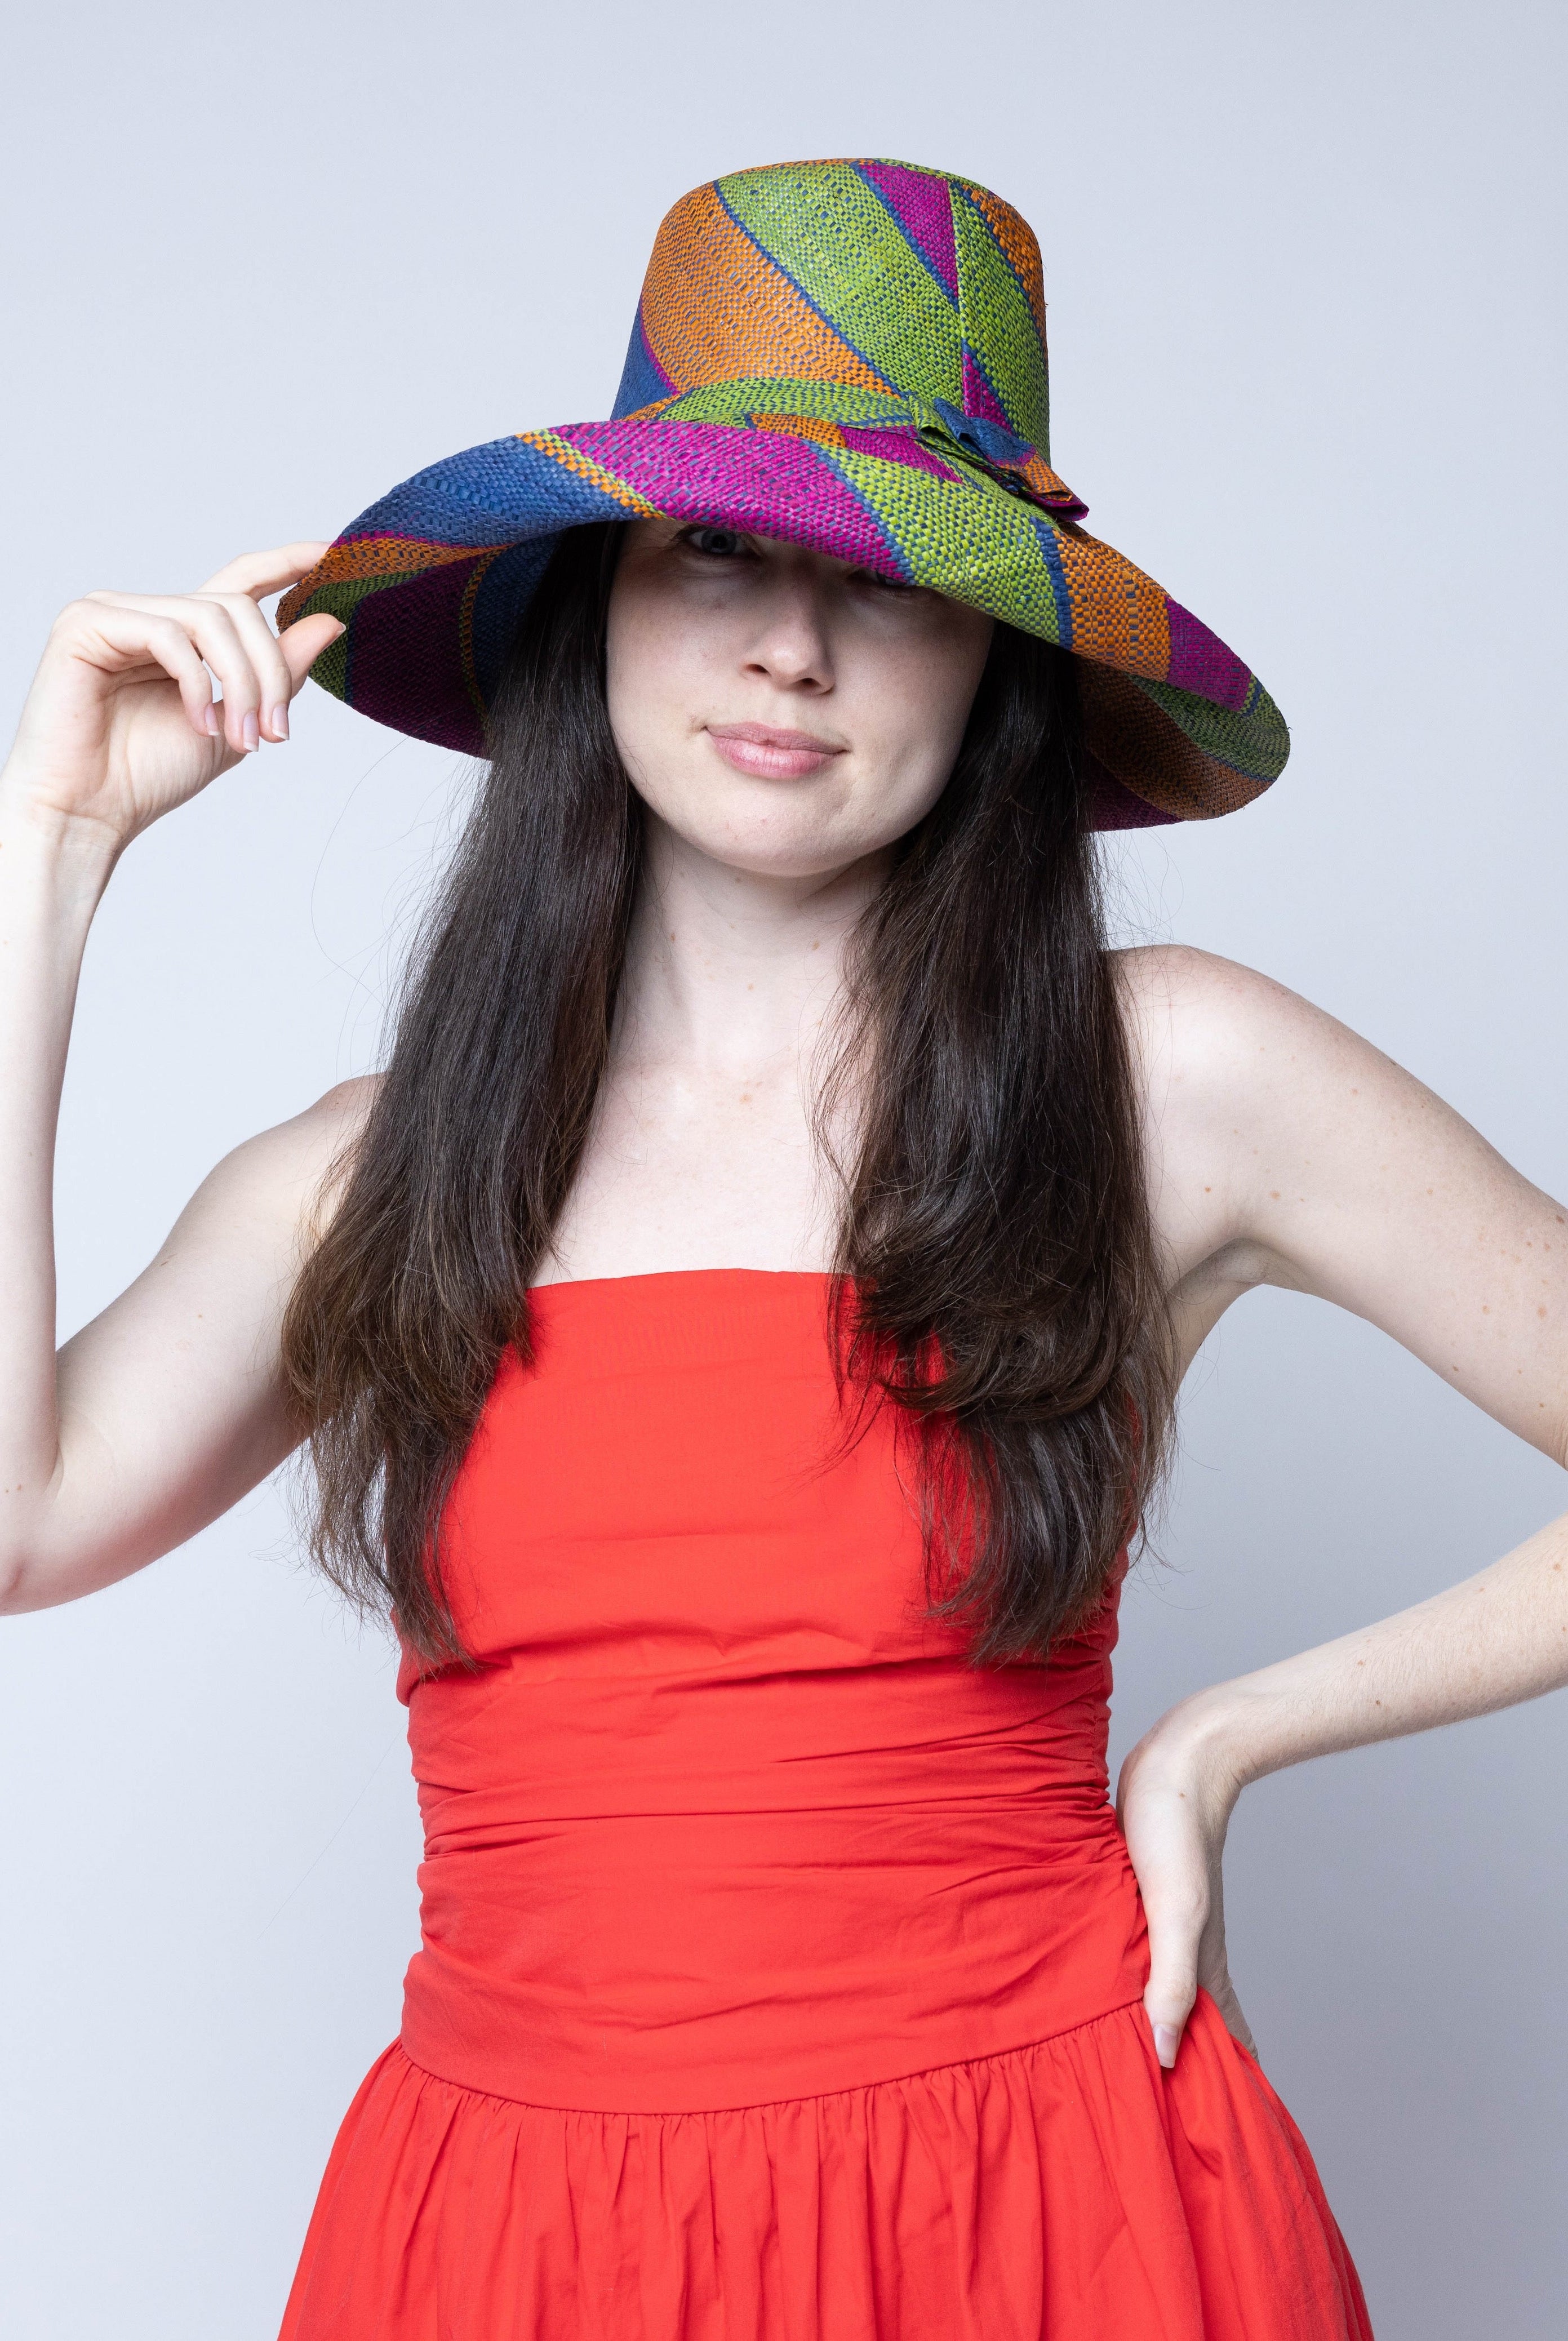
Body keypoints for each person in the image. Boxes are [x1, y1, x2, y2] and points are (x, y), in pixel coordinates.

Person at [1, 157, 1563, 2341]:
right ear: (596, 605)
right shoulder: (380, 1171)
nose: (792, 650)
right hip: (515, 2247)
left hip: (1051, 2216)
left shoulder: (1166, 1078)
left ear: (997, 657)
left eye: (893, 584)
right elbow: (20, 1513)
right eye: (716, 549)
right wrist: (52, 856)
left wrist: (1225, 1740)